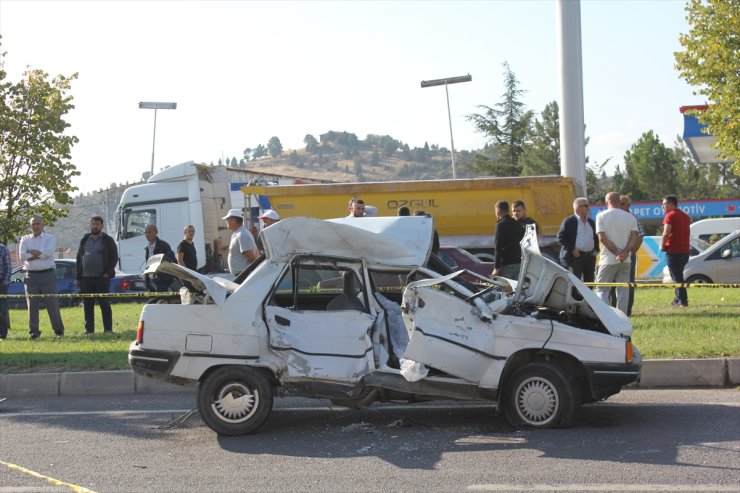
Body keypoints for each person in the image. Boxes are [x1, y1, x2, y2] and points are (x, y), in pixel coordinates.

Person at [18, 215, 65, 338]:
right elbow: (22, 256)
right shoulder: (25, 239)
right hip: (30, 276)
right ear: (30, 226)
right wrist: (40, 253)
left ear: (43, 225)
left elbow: (49, 253)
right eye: (33, 224)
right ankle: (34, 332)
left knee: (52, 304)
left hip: (47, 275)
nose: (35, 226)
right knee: (32, 306)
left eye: (38, 223)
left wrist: (31, 253)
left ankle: (58, 330)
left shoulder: (50, 238)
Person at [594, 192, 639, 314]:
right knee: (623, 290)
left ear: (607, 202)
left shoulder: (601, 216)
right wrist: (624, 253)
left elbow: (602, 238)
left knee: (602, 289)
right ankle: (623, 317)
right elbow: (634, 237)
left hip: (607, 259)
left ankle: (604, 317)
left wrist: (616, 252)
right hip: (626, 260)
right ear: (619, 202)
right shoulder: (630, 217)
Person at [75, 216, 118, 334]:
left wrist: (107, 273)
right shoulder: (85, 239)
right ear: (91, 225)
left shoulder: (107, 239)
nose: (95, 226)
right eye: (93, 224)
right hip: (86, 278)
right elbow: (79, 258)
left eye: (97, 224)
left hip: (101, 278)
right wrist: (78, 277)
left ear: (101, 226)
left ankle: (108, 329)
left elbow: (114, 257)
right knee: (88, 305)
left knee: (104, 304)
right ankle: (89, 329)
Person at [557, 197, 599, 282]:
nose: (588, 208)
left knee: (589, 284)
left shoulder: (591, 222)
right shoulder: (569, 221)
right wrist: (572, 249)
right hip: (575, 258)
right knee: (574, 285)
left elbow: (595, 238)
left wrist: (596, 251)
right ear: (578, 208)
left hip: (589, 257)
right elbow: (560, 237)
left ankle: (585, 296)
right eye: (586, 206)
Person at [661, 195, 691, 308]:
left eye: (664, 204)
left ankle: (682, 301)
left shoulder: (670, 216)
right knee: (677, 276)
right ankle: (677, 298)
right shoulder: (685, 216)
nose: (662, 207)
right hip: (685, 251)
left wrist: (662, 246)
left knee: (677, 278)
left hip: (674, 251)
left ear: (670, 204)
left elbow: (666, 233)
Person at [619, 195, 645, 316]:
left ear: (628, 205)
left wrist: (631, 251)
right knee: (613, 283)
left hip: (629, 255)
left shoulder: (633, 218)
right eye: (619, 203)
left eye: (623, 203)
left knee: (628, 283)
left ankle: (627, 311)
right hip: (614, 254)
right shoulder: (613, 216)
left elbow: (640, 236)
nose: (620, 206)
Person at [492, 200, 524, 279]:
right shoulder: (518, 224)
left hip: (507, 265)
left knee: (505, 290)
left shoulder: (500, 225)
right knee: (517, 289)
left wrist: (496, 267)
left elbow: (498, 247)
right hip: (519, 264)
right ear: (508, 210)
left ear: (498, 212)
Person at [223, 208, 258, 276]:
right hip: (242, 274)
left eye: (227, 219)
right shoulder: (239, 233)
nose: (226, 221)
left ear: (234, 220)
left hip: (244, 274)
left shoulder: (242, 234)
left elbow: (250, 256)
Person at [143, 224, 176, 292]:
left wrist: (166, 278)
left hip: (162, 281)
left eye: (149, 232)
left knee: (162, 300)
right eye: (145, 232)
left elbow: (172, 262)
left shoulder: (164, 246)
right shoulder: (147, 248)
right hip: (151, 280)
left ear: (156, 232)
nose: (147, 234)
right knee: (152, 301)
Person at [0, 242, 11, 340]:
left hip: (1, 283)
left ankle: (2, 334)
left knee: (2, 311)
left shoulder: (3, 248)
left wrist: (5, 282)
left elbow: (8, 267)